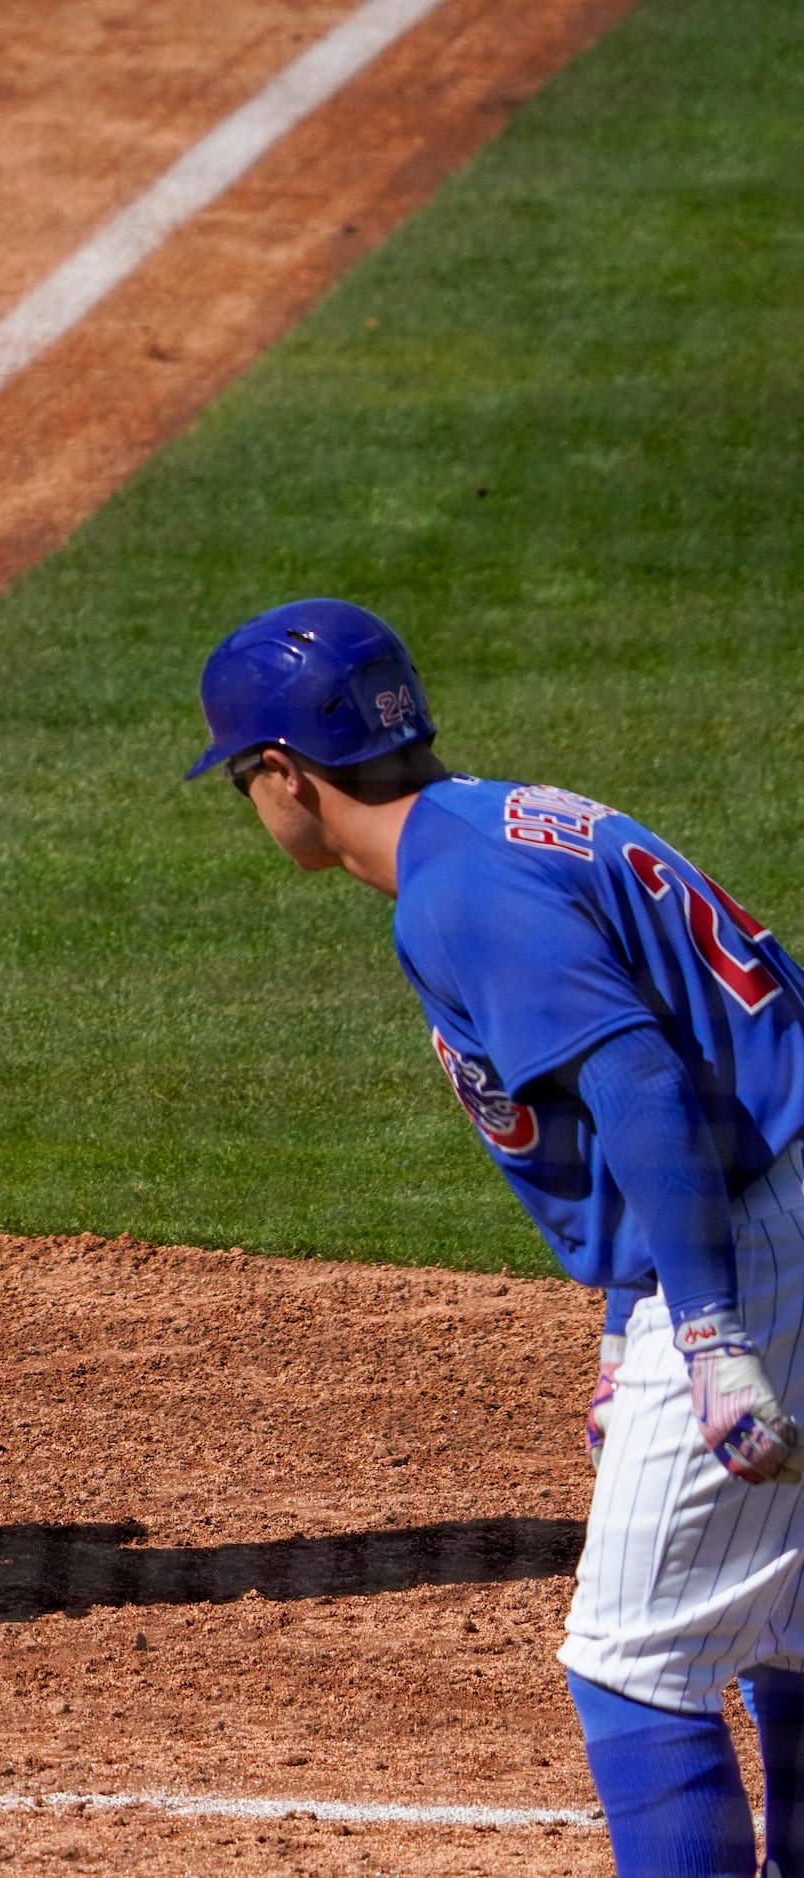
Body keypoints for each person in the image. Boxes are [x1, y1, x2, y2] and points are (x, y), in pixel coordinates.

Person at [193, 598, 804, 1876]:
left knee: (633, 1666)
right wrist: (629, 1315)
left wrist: (703, 1327)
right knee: (780, 1625)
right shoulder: (504, 822)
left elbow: (639, 1082)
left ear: (286, 776)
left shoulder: (456, 890)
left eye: (246, 777)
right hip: (767, 1192)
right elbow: (662, 1072)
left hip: (759, 1232)